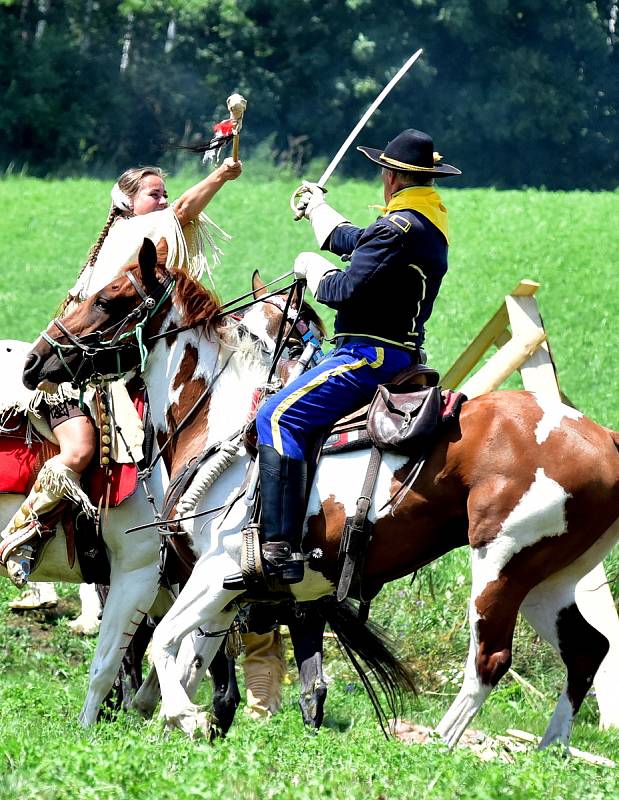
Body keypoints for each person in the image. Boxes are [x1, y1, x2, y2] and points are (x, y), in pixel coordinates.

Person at [0, 157, 242, 587]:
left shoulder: (147, 246)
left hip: (106, 367)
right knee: (78, 449)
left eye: (165, 193)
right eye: (154, 194)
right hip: (69, 370)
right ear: (127, 202)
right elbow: (184, 211)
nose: (164, 201)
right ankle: (25, 533)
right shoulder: (131, 233)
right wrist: (221, 175)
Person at [239, 128, 460, 585]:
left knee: (276, 417)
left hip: (367, 356)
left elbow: (341, 289)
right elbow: (356, 240)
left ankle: (278, 549)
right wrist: (317, 206)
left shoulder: (397, 228)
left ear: (391, 176)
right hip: (399, 353)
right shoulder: (420, 224)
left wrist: (308, 264)